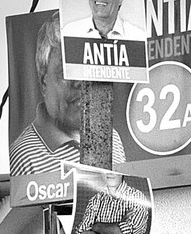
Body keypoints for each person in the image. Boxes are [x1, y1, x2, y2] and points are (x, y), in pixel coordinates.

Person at [9, 12, 127, 175]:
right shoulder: (25, 155)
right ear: (44, 81)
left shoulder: (111, 138)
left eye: (85, 68)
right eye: (66, 71)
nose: (79, 82)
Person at [74, 172, 150, 234]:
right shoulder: (96, 199)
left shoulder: (137, 197)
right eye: (105, 171)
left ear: (122, 173)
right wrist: (116, 228)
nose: (110, 173)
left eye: (114, 171)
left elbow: (122, 233)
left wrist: (96, 226)